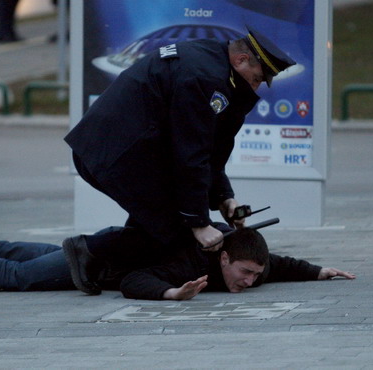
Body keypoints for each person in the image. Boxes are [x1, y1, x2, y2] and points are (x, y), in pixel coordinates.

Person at [63, 26, 297, 295]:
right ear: (241, 59)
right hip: (114, 153)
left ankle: (122, 270)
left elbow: (210, 147)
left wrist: (224, 197)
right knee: (176, 230)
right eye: (256, 79)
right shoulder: (204, 78)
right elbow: (191, 153)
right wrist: (198, 222)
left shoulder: (214, 62)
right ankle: (87, 250)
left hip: (125, 149)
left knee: (158, 226)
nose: (255, 87)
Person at [0, 228, 355, 297]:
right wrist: (170, 294)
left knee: (41, 259)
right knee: (19, 280)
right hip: (99, 263)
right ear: (224, 256)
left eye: (256, 276)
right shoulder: (187, 264)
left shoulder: (249, 260)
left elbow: (279, 263)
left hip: (108, 247)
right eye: (245, 273)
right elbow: (134, 281)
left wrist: (318, 271)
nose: (250, 282)